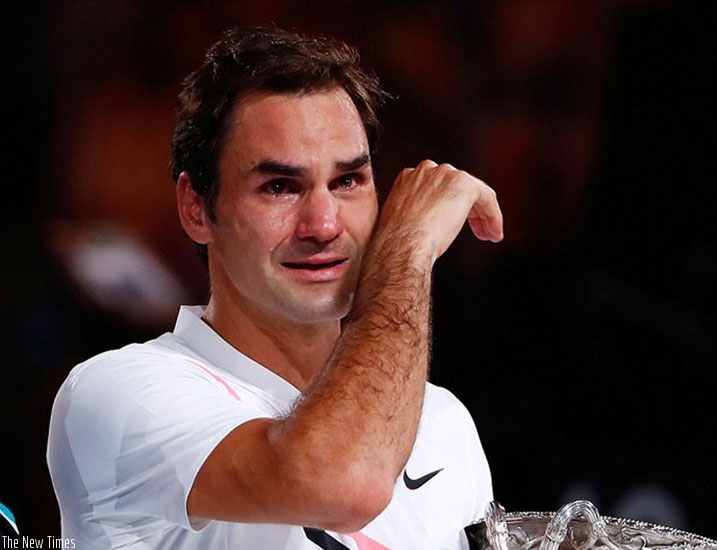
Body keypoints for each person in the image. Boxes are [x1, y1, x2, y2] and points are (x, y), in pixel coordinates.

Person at [47, 25, 504, 550]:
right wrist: (406, 252)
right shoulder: (118, 393)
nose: (324, 224)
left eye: (348, 181)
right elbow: (343, 484)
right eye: (280, 187)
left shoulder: (443, 421)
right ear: (196, 208)